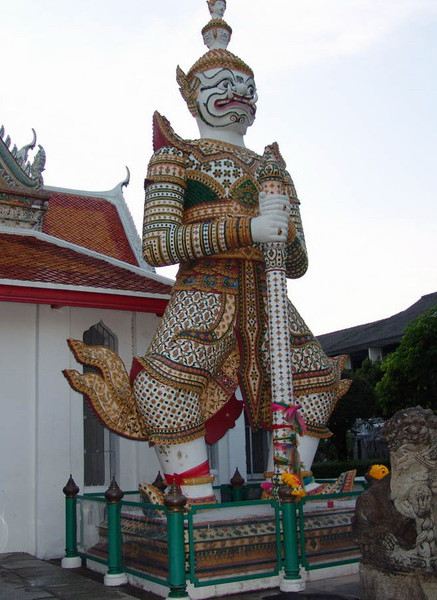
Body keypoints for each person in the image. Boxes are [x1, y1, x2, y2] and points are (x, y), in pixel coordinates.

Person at [66, 2, 347, 505]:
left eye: (247, 88)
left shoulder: (272, 167)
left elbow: (299, 263)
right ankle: (191, 497)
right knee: (162, 392)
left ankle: (288, 484)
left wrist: (284, 235)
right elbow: (160, 245)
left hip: (268, 293)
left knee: (317, 385)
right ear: (193, 95)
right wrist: (249, 227)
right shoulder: (177, 156)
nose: (238, 94)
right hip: (205, 290)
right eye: (222, 84)